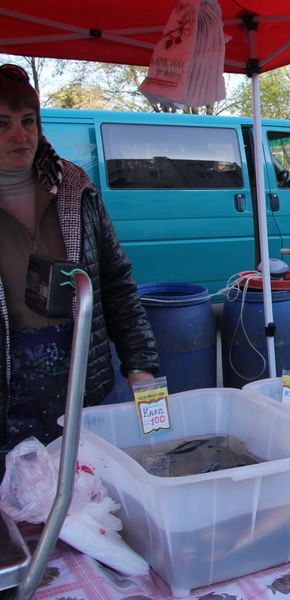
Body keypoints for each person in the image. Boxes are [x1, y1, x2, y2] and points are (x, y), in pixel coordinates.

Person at [0, 64, 159, 457]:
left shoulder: (76, 190)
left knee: (81, 493)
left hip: (77, 382)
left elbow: (117, 282)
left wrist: (142, 367)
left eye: (28, 121)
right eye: (1, 124)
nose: (19, 135)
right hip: (8, 390)